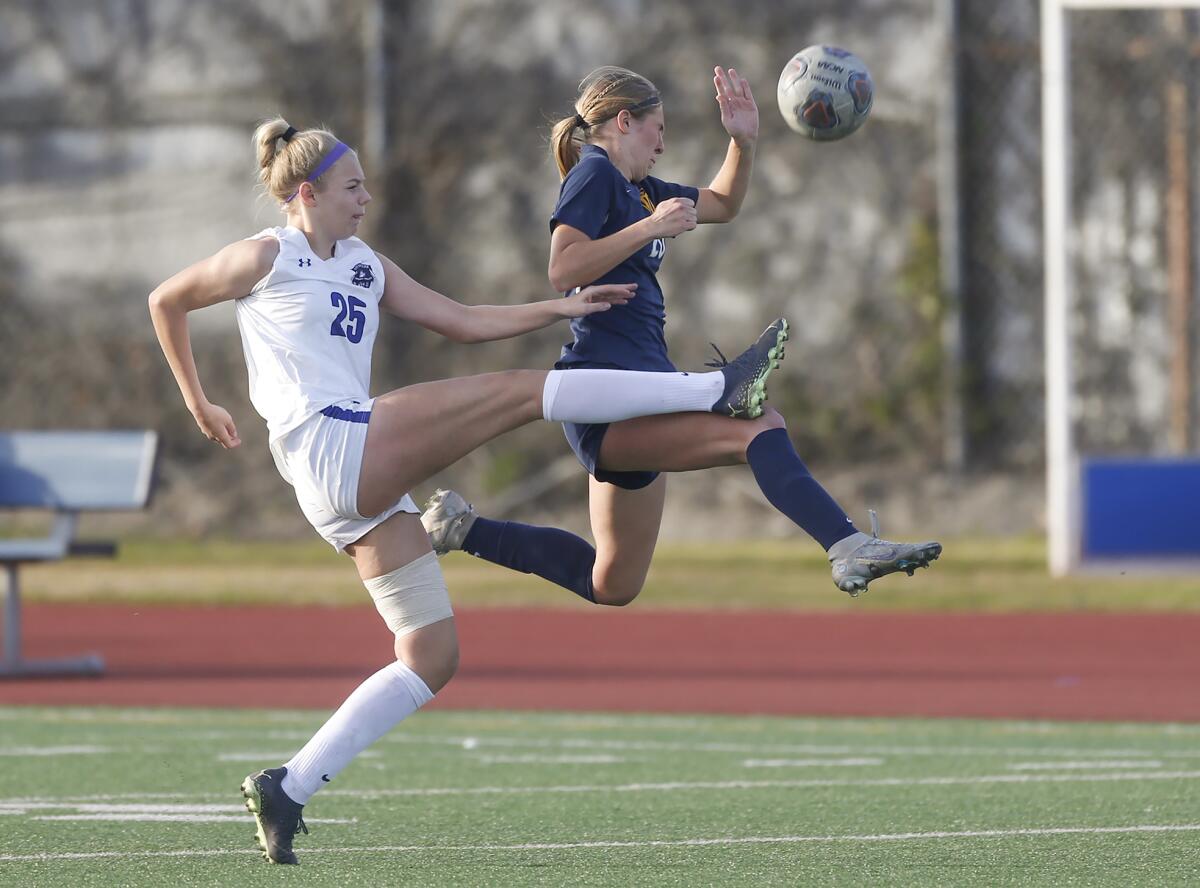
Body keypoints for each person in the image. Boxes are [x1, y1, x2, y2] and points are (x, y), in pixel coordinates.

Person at [147, 118, 787, 864]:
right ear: (308, 192)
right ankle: (715, 388)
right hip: (331, 443)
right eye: (353, 187)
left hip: (351, 480)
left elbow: (461, 321)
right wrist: (198, 400)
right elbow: (168, 299)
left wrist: (557, 309)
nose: (366, 198)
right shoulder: (267, 254)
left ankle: (287, 787)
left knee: (431, 655)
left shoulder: (364, 263)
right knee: (523, 394)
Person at [421, 65, 941, 602]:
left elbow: (722, 202)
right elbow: (563, 268)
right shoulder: (593, 173)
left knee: (613, 583)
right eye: (658, 129)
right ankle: (845, 542)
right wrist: (649, 228)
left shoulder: (642, 189)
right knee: (759, 427)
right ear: (624, 121)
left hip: (648, 389)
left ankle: (461, 527)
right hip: (609, 396)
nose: (663, 144)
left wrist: (742, 141)